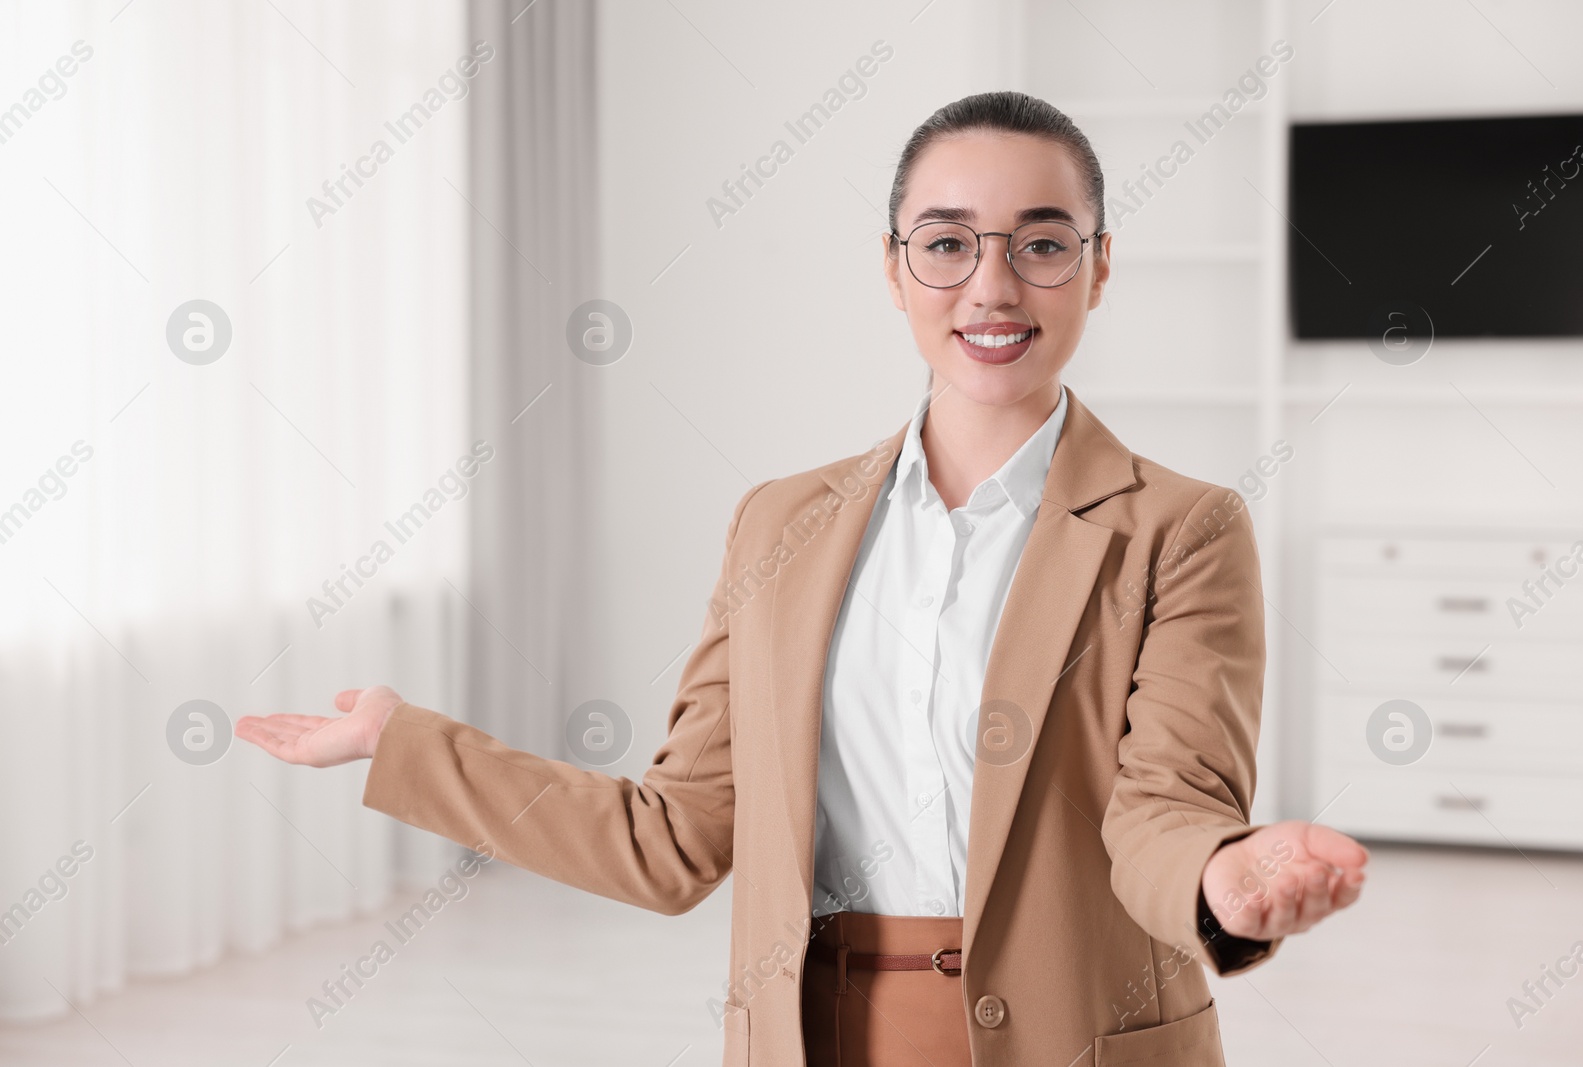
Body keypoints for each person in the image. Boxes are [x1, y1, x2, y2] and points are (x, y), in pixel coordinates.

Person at [237, 90, 1367, 1067]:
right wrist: (405, 744)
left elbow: (1161, 811)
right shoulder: (779, 523)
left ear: (1097, 265)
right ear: (893, 266)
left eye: (1041, 242)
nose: (992, 285)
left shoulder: (1182, 527)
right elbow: (671, 837)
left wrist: (1223, 874)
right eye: (945, 242)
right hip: (815, 1031)